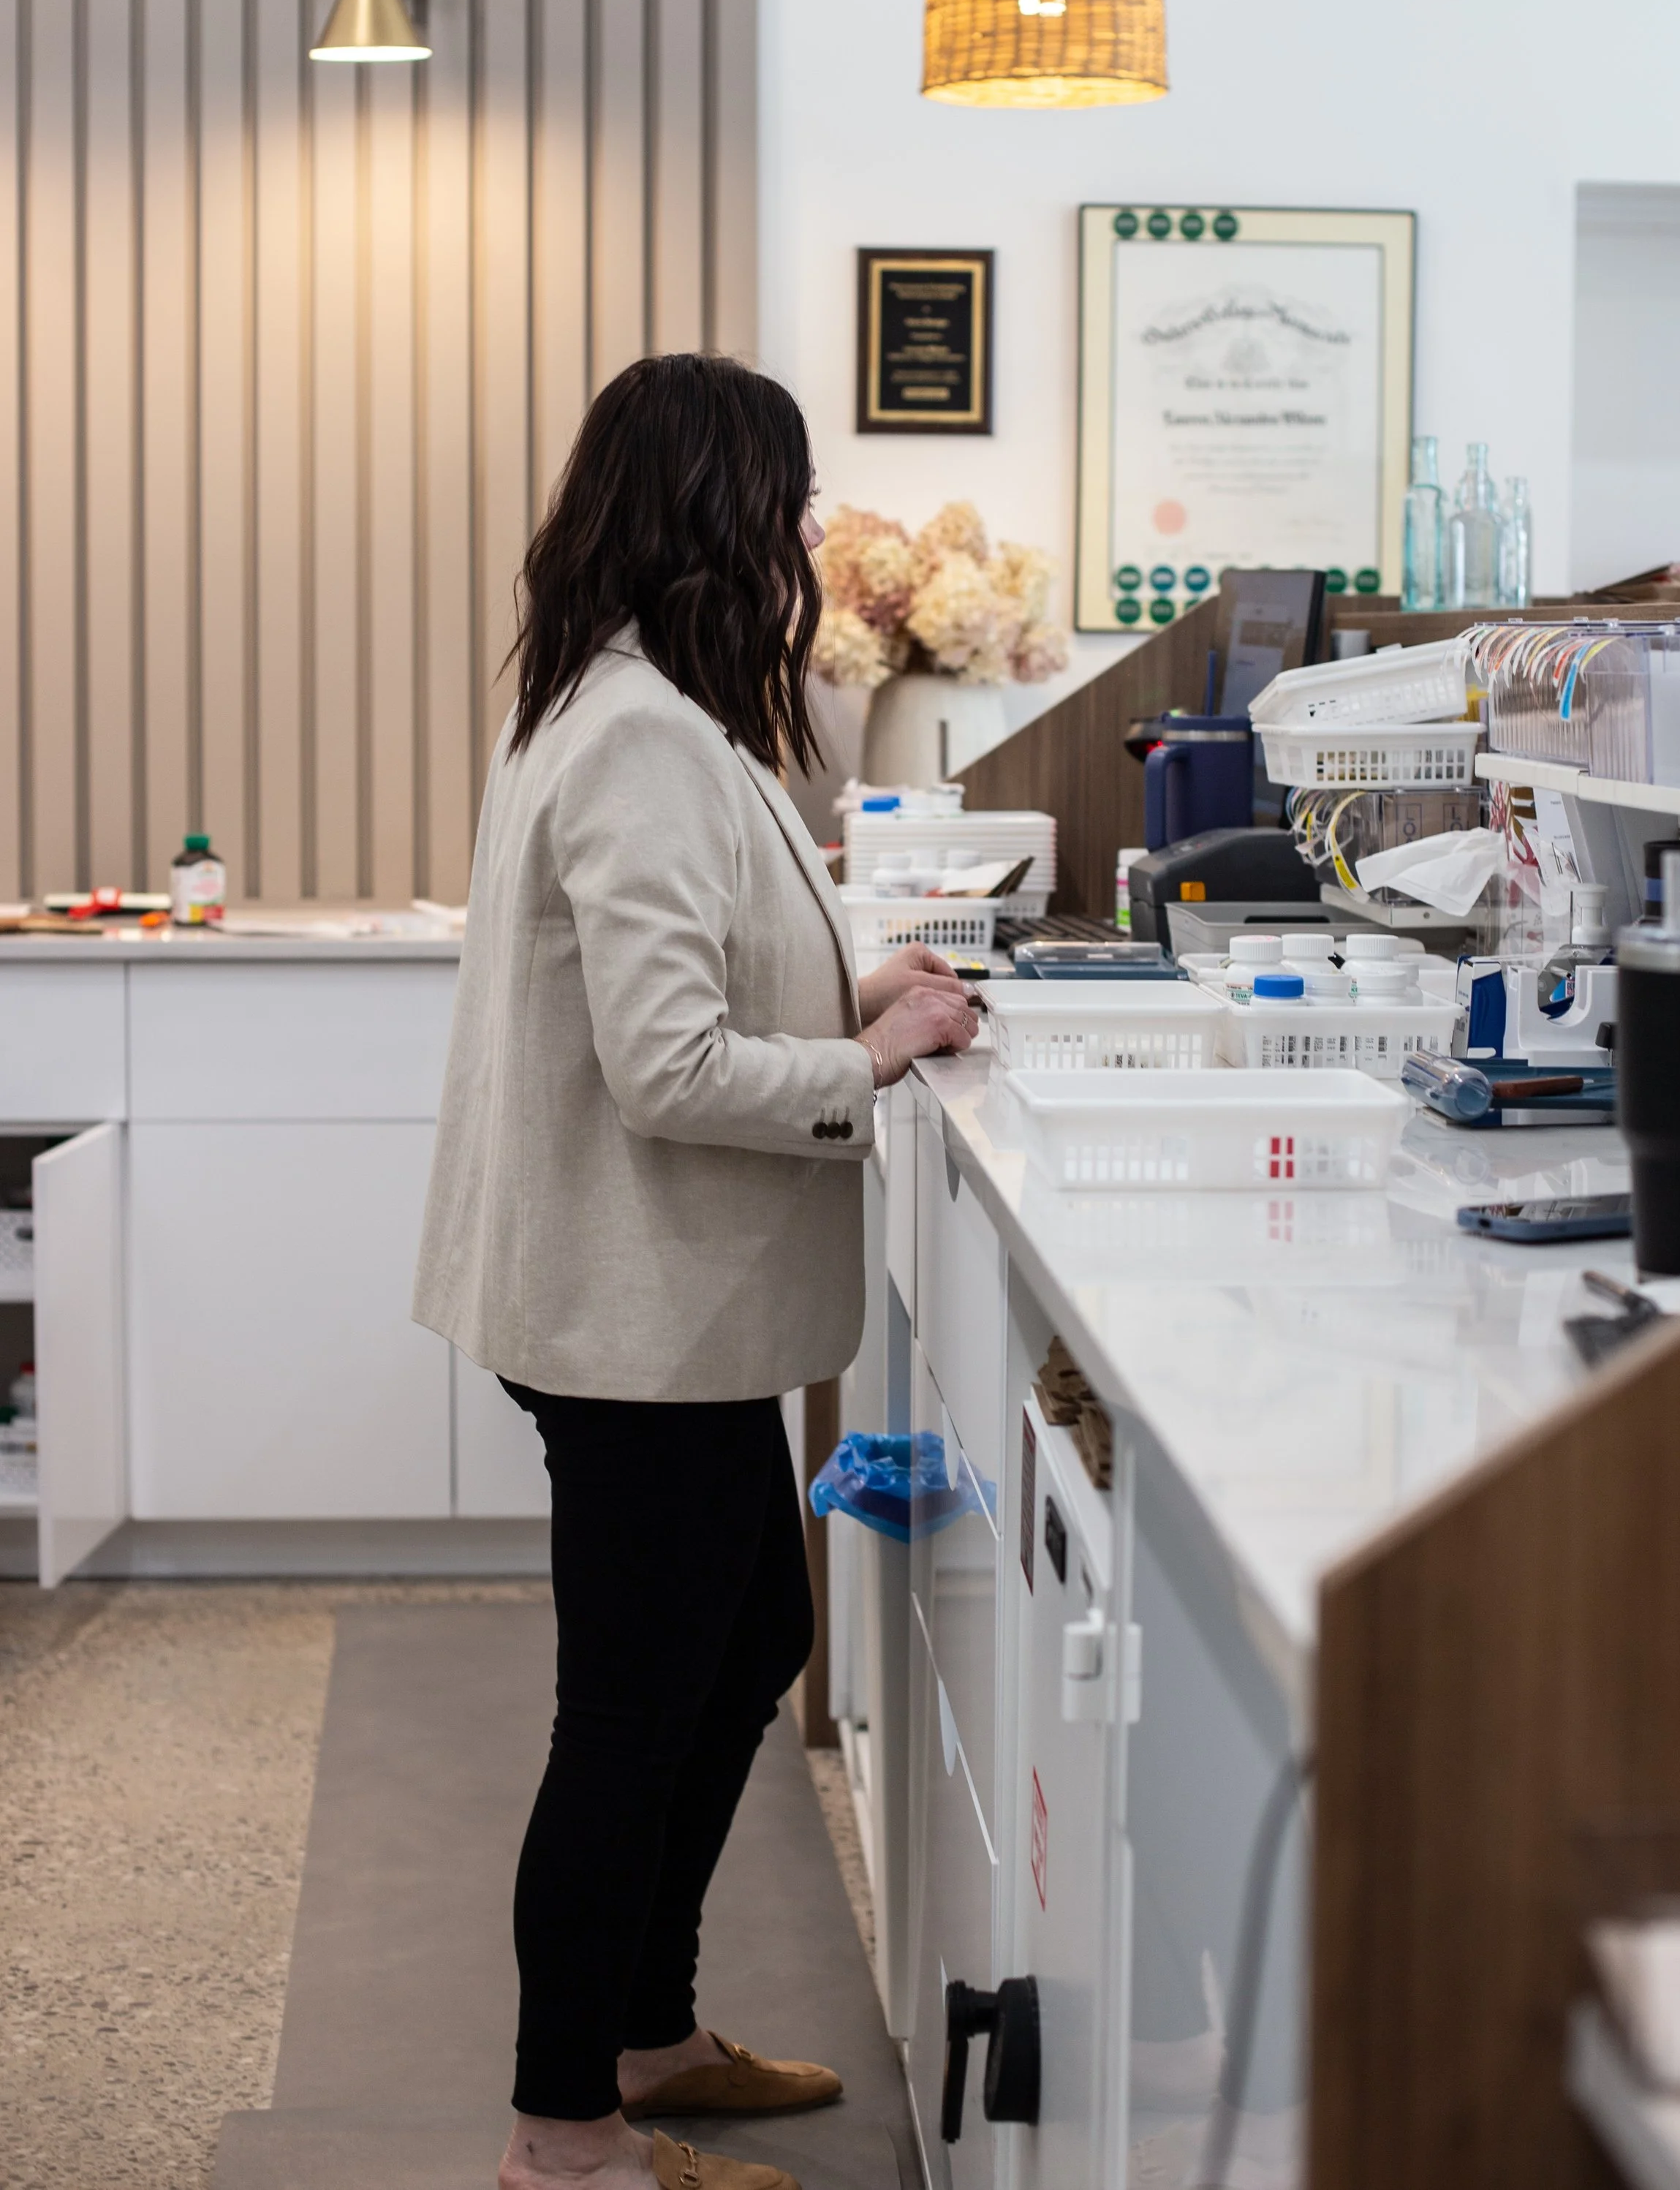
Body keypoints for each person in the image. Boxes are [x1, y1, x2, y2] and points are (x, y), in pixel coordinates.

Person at [414, 354, 979, 2190]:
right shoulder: (643, 734)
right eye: (791, 502)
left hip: (663, 1315)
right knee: (630, 1716)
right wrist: (870, 1062)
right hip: (631, 1319)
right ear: (720, 514)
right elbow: (667, 1067)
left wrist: (850, 991)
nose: (807, 540)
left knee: (749, 1640)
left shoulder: (625, 703)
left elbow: (691, 984)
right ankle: (562, 2127)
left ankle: (645, 2039)